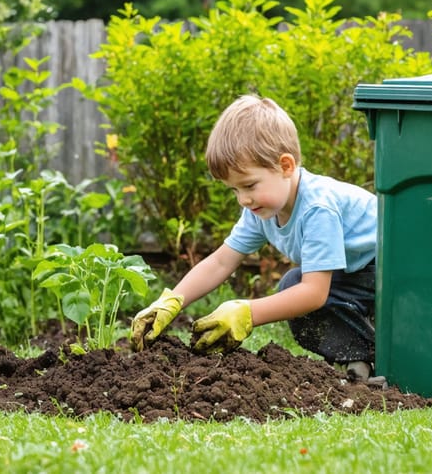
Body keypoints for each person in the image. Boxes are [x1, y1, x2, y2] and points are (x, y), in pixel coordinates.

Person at [130, 94, 378, 381]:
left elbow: (314, 293)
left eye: (248, 185)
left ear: (286, 166)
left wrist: (248, 312)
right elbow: (221, 262)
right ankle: (360, 358)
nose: (243, 199)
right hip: (358, 275)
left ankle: (377, 351)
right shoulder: (260, 209)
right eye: (234, 190)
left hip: (394, 275)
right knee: (292, 284)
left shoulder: (317, 208)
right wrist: (172, 301)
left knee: (295, 288)